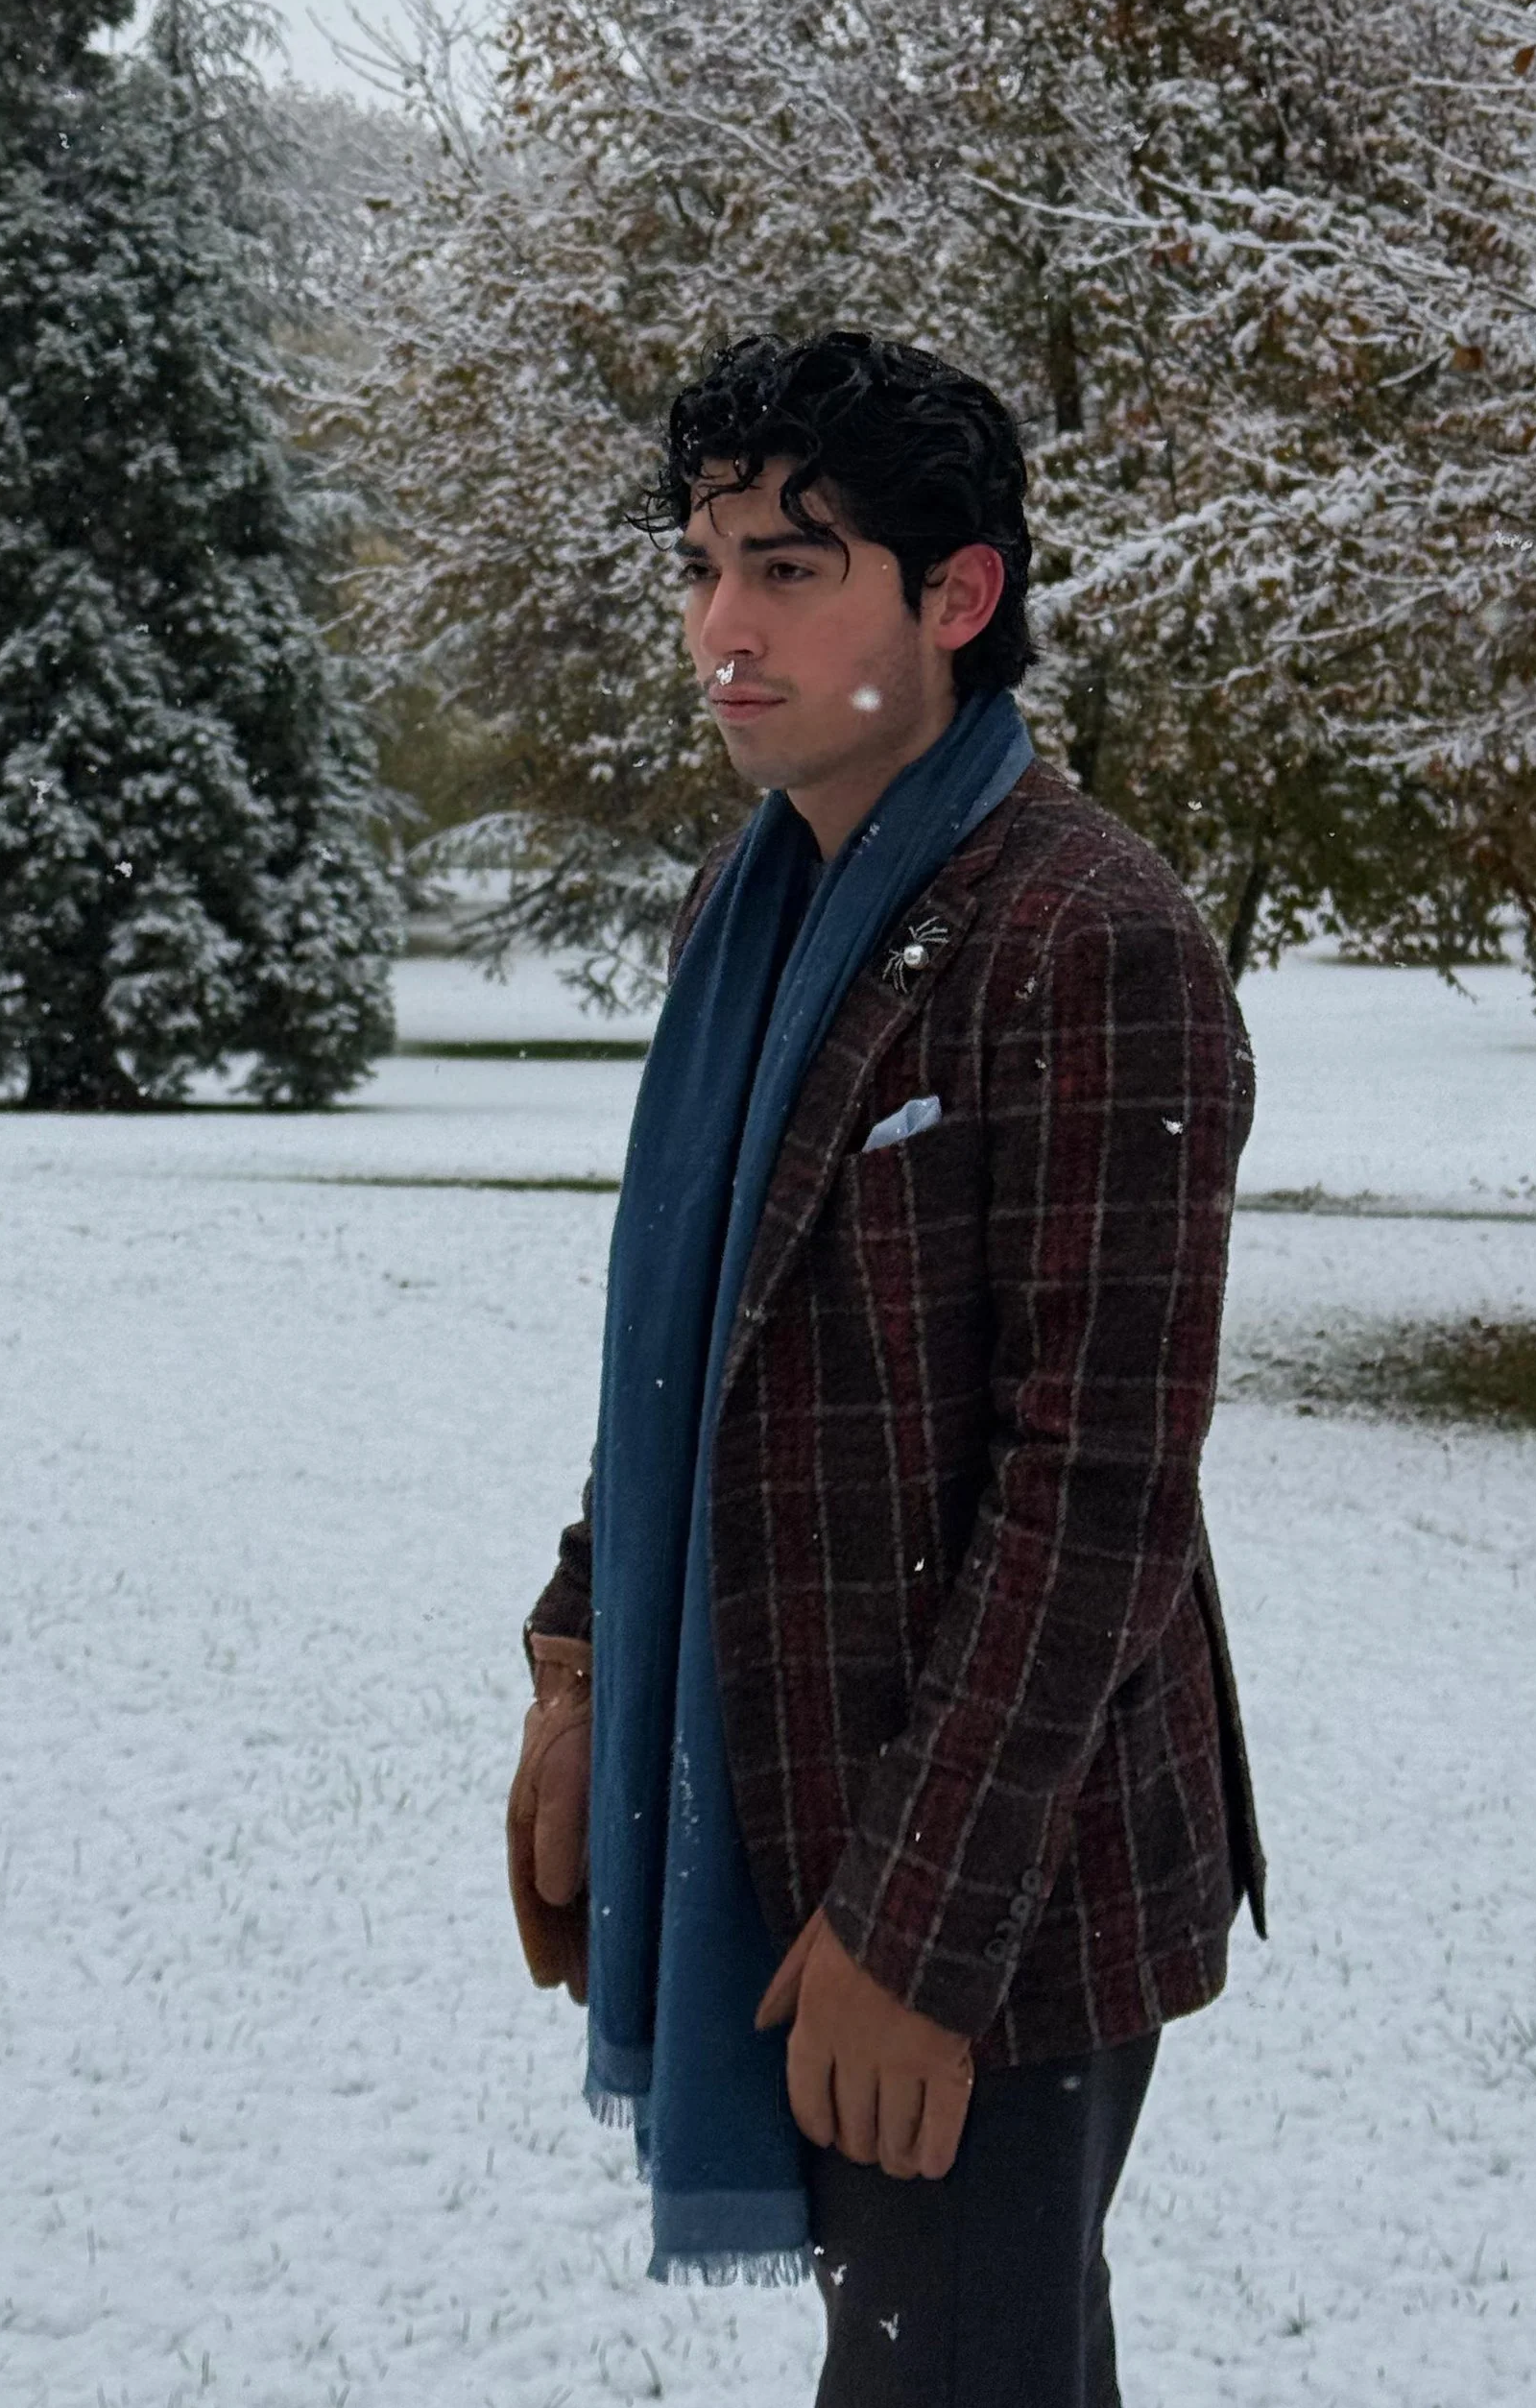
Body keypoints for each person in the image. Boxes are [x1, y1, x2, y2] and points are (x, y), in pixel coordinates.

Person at [505, 330, 1262, 2408]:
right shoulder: (743, 913)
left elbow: (1094, 1487)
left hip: (993, 1889)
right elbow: (692, 1354)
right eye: (698, 566)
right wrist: (584, 1664)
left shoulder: (1085, 937)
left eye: (791, 568)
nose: (721, 629)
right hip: (764, 1802)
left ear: (957, 597)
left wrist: (911, 1926)